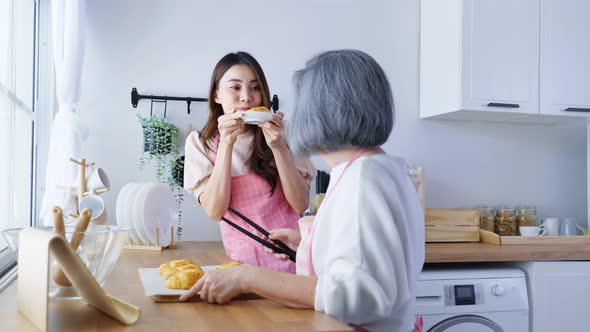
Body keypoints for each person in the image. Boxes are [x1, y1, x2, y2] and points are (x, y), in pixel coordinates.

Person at [180, 49, 426, 332]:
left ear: (321, 111)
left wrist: (247, 278)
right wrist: (314, 244)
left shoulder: (362, 181)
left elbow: (357, 297)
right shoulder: (380, 169)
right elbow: (376, 263)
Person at [183, 51, 315, 273]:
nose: (246, 96)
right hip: (240, 268)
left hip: (292, 263)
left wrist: (279, 147)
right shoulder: (200, 143)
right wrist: (226, 143)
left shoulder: (286, 133)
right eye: (235, 87)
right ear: (216, 95)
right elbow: (215, 211)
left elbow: (301, 204)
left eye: (255, 87)